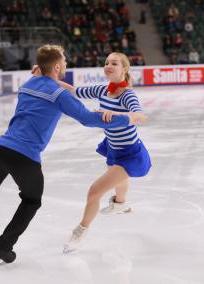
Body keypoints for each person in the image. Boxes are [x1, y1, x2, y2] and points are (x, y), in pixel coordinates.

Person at [0, 45, 142, 264]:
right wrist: (127, 118)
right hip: (25, 157)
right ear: (57, 66)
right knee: (32, 200)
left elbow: (44, 79)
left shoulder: (28, 84)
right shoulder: (59, 94)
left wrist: (42, 72)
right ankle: (3, 247)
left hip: (0, 150)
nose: (66, 64)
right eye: (64, 60)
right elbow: (88, 119)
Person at [54, 52, 151, 253]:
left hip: (129, 153)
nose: (108, 65)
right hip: (113, 146)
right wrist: (48, 79)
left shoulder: (127, 95)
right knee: (118, 179)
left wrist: (117, 114)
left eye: (114, 63)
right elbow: (74, 91)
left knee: (94, 191)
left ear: (124, 69)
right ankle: (121, 204)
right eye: (106, 63)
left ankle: (80, 231)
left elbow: (140, 116)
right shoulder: (102, 90)